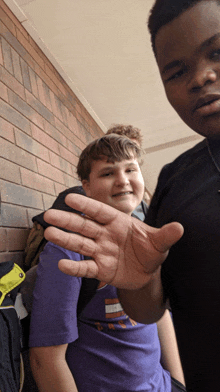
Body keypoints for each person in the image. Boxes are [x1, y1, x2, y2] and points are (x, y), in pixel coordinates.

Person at [43, 1, 220, 390]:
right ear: (84, 186)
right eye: (176, 71)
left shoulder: (150, 217)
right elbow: (156, 309)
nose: (201, 77)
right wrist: (142, 282)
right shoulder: (177, 186)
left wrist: (175, 380)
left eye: (217, 51)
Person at [29, 134, 185, 392]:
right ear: (86, 186)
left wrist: (178, 383)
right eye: (108, 173)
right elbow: (45, 359)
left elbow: (160, 316)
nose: (123, 180)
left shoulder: (149, 235)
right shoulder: (70, 249)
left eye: (130, 169)